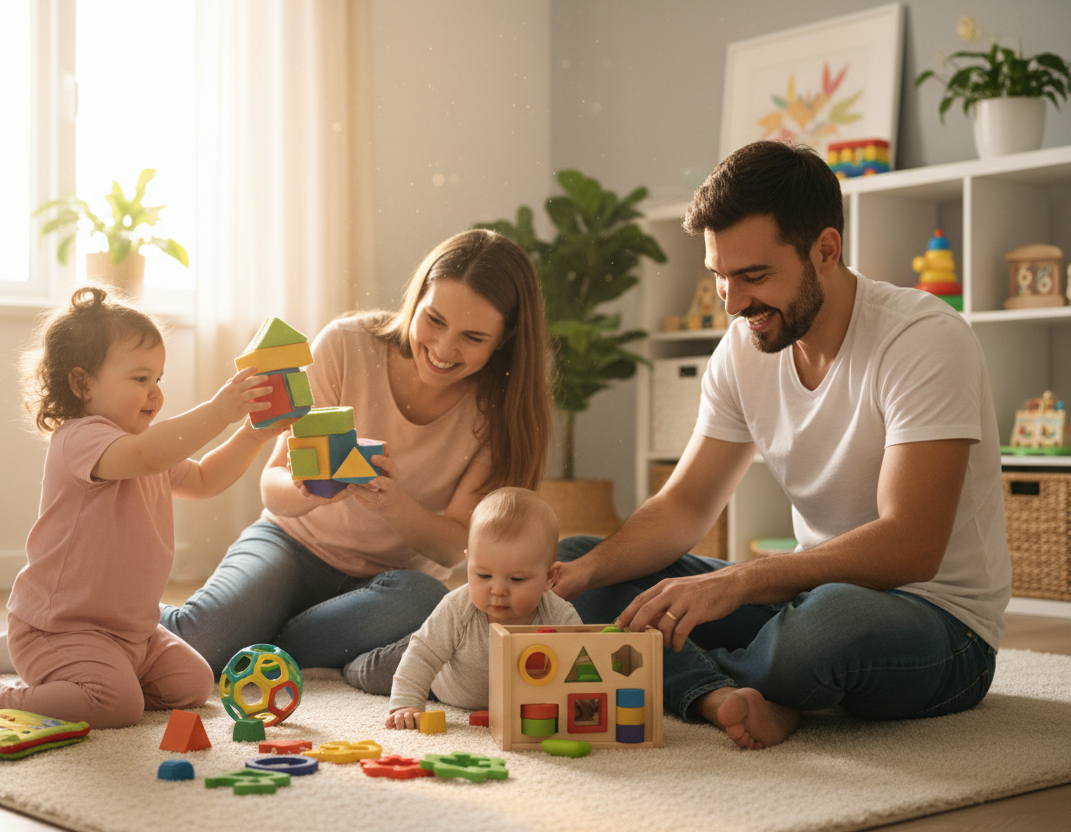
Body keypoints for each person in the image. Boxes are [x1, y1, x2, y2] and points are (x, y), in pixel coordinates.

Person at [554, 140, 1010, 750]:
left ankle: (703, 674)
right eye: (720, 277)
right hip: (802, 593)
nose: (735, 304)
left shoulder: (923, 340)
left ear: (825, 250)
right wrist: (587, 570)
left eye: (754, 276)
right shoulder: (744, 348)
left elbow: (912, 546)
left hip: (937, 624)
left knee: (820, 633)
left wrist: (742, 582)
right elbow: (685, 506)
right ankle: (729, 696)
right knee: (589, 567)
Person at [159, 229, 554, 678]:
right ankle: (102, 616)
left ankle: (264, 646)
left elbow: (454, 547)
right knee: (197, 642)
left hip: (386, 582)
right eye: (435, 320)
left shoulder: (500, 410)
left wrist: (394, 503)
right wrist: (310, 490)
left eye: (473, 337)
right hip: (288, 544)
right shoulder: (346, 344)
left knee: (425, 599)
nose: (444, 349)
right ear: (417, 299)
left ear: (504, 339)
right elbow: (273, 489)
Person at [0, 286, 281, 728]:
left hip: (133, 631)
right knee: (116, 707)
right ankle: (1, 697)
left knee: (193, 685)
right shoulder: (81, 439)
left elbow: (203, 480)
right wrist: (220, 411)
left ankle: (80, 674)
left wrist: (254, 435)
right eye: (140, 379)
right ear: (83, 384)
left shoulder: (148, 447)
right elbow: (144, 458)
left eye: (159, 379)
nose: (155, 393)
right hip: (61, 627)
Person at [342, 487, 582, 729]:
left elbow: (584, 666)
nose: (498, 590)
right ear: (469, 562)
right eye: (484, 575)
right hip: (440, 682)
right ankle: (345, 665)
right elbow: (422, 656)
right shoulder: (458, 607)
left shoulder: (560, 616)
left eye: (516, 579)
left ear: (550, 577)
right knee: (373, 671)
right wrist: (406, 703)